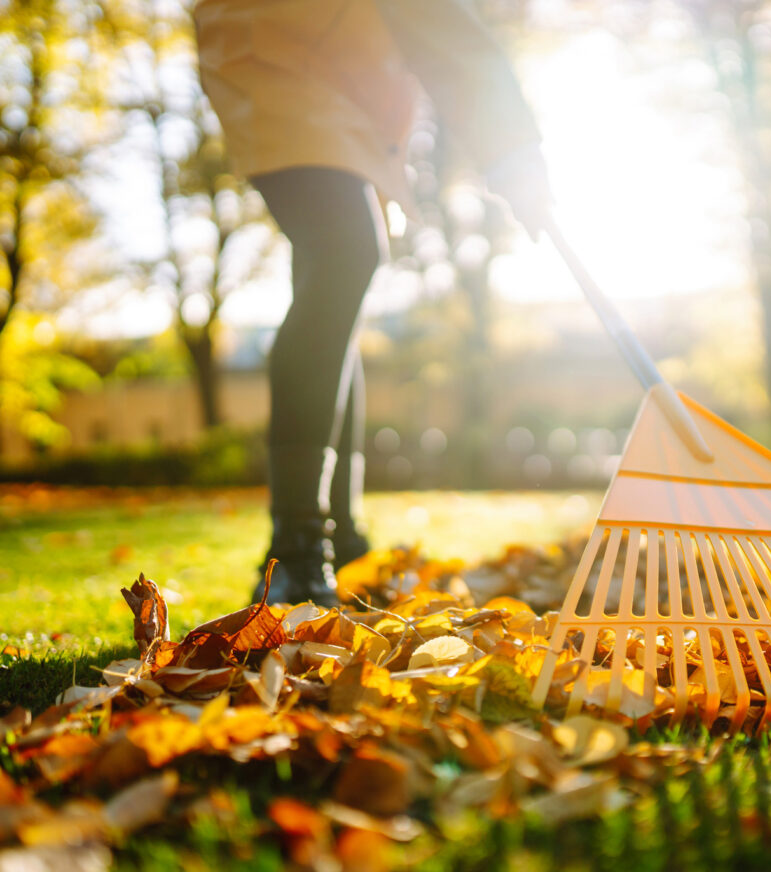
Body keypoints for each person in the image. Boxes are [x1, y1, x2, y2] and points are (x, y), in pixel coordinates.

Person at [193, 0, 553, 606]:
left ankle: (343, 539)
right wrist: (514, 150)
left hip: (340, 76)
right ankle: (298, 549)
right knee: (345, 253)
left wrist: (513, 153)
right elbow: (447, 31)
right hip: (272, 47)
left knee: (336, 279)